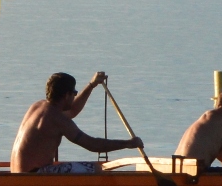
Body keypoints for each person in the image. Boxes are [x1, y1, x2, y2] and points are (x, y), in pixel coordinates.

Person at [11, 71, 142, 173]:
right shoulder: (58, 119)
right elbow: (93, 145)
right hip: (35, 175)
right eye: (74, 93)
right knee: (97, 169)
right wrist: (127, 143)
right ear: (66, 95)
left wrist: (92, 84)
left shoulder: (38, 106)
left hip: (17, 173)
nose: (74, 96)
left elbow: (72, 111)